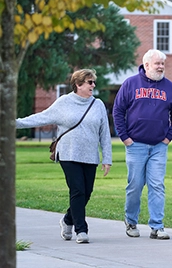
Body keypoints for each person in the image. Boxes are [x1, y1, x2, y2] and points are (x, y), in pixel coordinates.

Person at [16, 69, 112, 244]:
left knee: (87, 193)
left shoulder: (97, 105)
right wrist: (14, 123)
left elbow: (104, 133)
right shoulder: (64, 102)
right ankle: (81, 230)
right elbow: (41, 117)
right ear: (78, 84)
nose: (93, 85)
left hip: (90, 155)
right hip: (69, 153)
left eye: (93, 82)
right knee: (77, 190)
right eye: (90, 82)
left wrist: (107, 158)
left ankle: (67, 220)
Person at [113, 49, 172, 240]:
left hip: (159, 146)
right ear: (146, 65)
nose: (161, 67)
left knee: (157, 185)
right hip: (135, 145)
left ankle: (157, 226)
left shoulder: (170, 88)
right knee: (135, 185)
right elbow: (118, 111)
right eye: (157, 63)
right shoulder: (130, 84)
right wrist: (125, 137)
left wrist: (168, 138)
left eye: (163, 63)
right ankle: (131, 221)